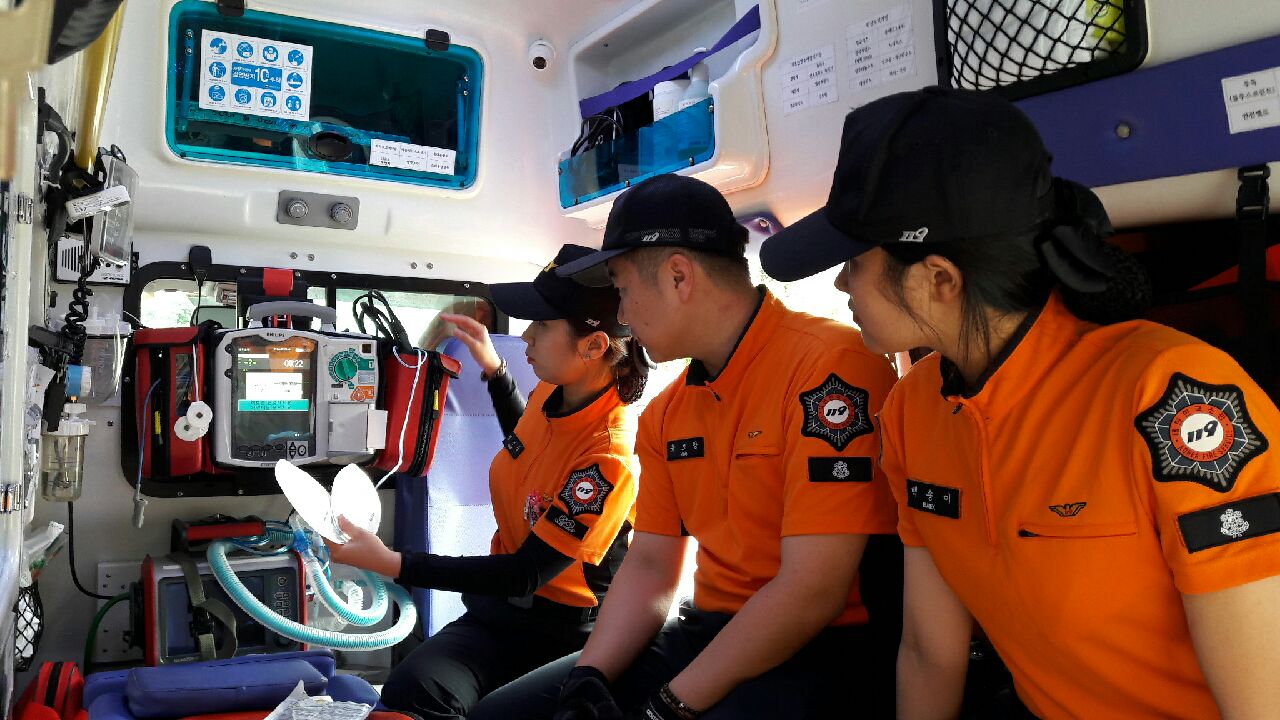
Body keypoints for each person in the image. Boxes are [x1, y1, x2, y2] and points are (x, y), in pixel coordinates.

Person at [759, 86, 1280, 719]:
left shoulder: (1170, 396)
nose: (841, 282)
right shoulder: (912, 411)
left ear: (938, 279)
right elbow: (929, 651)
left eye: (855, 262)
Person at [470, 174, 901, 720]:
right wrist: (588, 678)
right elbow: (652, 565)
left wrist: (670, 706)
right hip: (702, 633)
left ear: (678, 276)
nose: (623, 315)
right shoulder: (667, 414)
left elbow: (812, 590)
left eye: (624, 290)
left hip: (819, 651)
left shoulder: (830, 367)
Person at [326, 244, 650, 719]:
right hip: (499, 615)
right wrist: (495, 371)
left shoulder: (608, 457)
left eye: (542, 325)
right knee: (410, 691)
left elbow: (525, 572)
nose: (526, 337)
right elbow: (528, 444)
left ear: (594, 346)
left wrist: (393, 563)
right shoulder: (555, 392)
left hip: (563, 638)